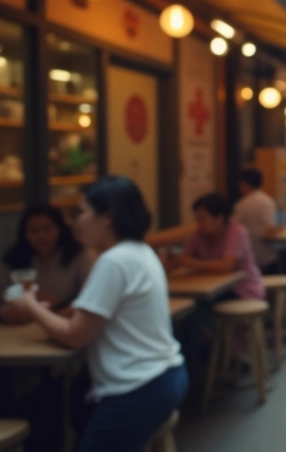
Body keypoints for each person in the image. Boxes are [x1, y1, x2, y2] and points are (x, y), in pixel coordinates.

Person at [9, 176, 187, 451]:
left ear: (107, 218)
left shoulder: (113, 261)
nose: (75, 221)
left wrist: (30, 304)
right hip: (163, 377)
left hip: (137, 389)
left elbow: (76, 336)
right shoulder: (139, 251)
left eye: (81, 212)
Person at [1, 204, 92, 323]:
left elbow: (90, 298)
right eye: (33, 230)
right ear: (24, 234)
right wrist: (4, 312)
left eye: (48, 228)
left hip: (63, 322)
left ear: (60, 229)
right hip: (18, 327)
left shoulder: (78, 255)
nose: (41, 236)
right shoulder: (12, 259)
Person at [174, 193, 266, 301]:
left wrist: (187, 262)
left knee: (197, 307)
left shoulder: (236, 231)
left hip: (242, 289)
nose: (199, 224)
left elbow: (226, 266)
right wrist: (172, 261)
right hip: (210, 287)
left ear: (220, 218)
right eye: (197, 219)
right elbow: (183, 259)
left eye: (202, 219)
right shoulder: (198, 234)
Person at [234, 169, 280, 269]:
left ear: (244, 184)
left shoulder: (241, 205)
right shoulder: (268, 201)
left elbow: (233, 229)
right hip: (265, 256)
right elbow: (270, 230)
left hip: (246, 257)